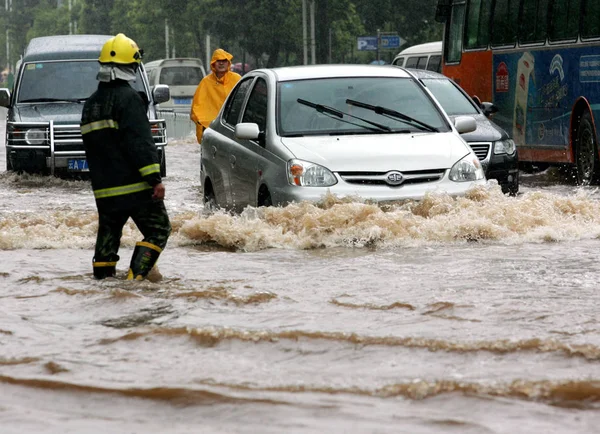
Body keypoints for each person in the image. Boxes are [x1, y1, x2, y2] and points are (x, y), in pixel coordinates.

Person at [80, 33, 171, 281]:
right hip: (135, 187)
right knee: (159, 230)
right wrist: (154, 178)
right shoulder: (129, 99)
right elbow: (140, 143)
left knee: (108, 238)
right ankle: (135, 280)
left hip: (104, 191)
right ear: (130, 67)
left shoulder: (90, 105)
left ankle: (104, 283)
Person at [190, 48, 242, 143]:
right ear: (213, 63)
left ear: (228, 63)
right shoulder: (205, 82)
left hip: (233, 127)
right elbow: (196, 109)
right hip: (212, 129)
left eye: (224, 61)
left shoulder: (237, 79)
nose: (221, 63)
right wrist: (204, 125)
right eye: (218, 61)